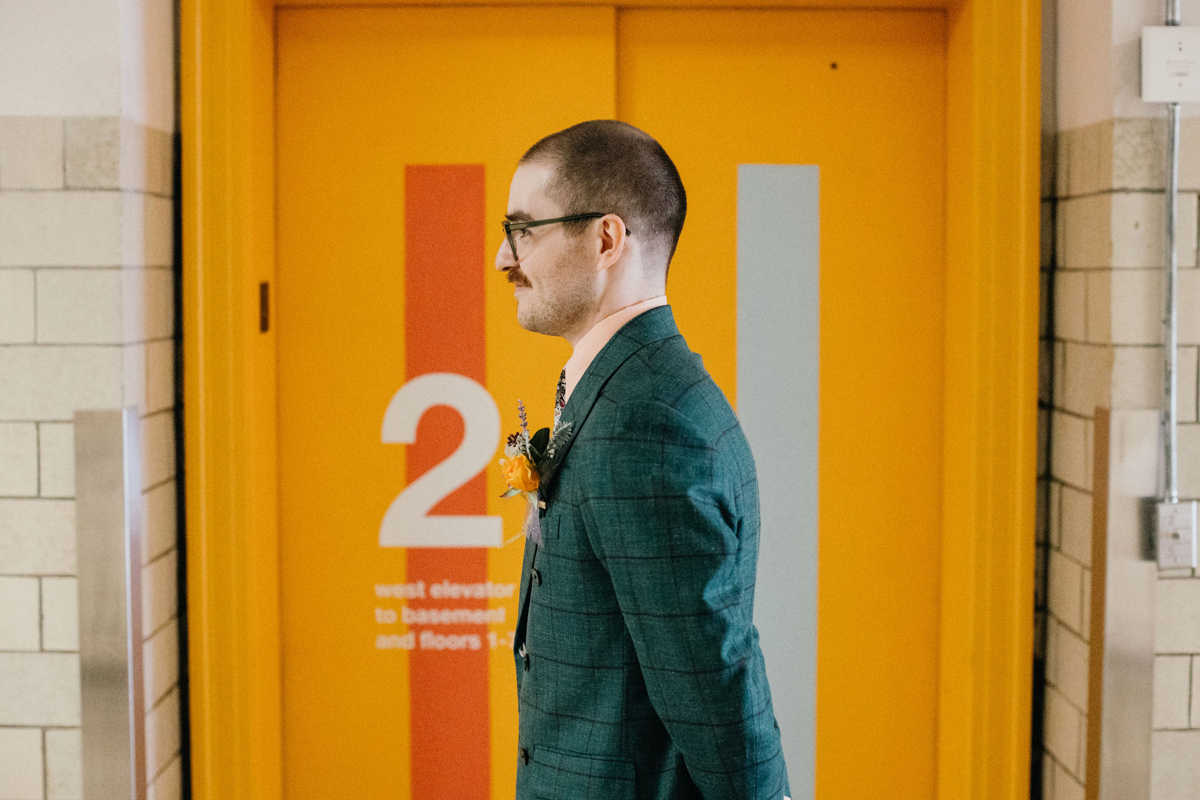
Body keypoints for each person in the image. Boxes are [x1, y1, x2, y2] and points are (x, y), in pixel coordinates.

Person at [495, 119, 790, 800]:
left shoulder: (648, 425)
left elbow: (713, 686)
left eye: (523, 231)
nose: (503, 259)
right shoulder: (627, 387)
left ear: (605, 239)